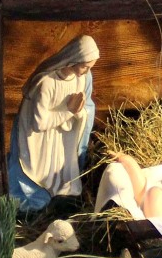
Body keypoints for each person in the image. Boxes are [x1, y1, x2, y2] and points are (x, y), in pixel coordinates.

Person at [7, 36, 100, 209]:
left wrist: (79, 113)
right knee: (39, 175)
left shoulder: (81, 78)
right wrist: (69, 112)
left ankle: (59, 199)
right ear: (73, 59)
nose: (87, 72)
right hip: (39, 140)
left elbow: (82, 111)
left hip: (61, 138)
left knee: (62, 176)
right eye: (85, 66)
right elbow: (39, 124)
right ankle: (36, 203)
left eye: (90, 68)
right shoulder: (46, 83)